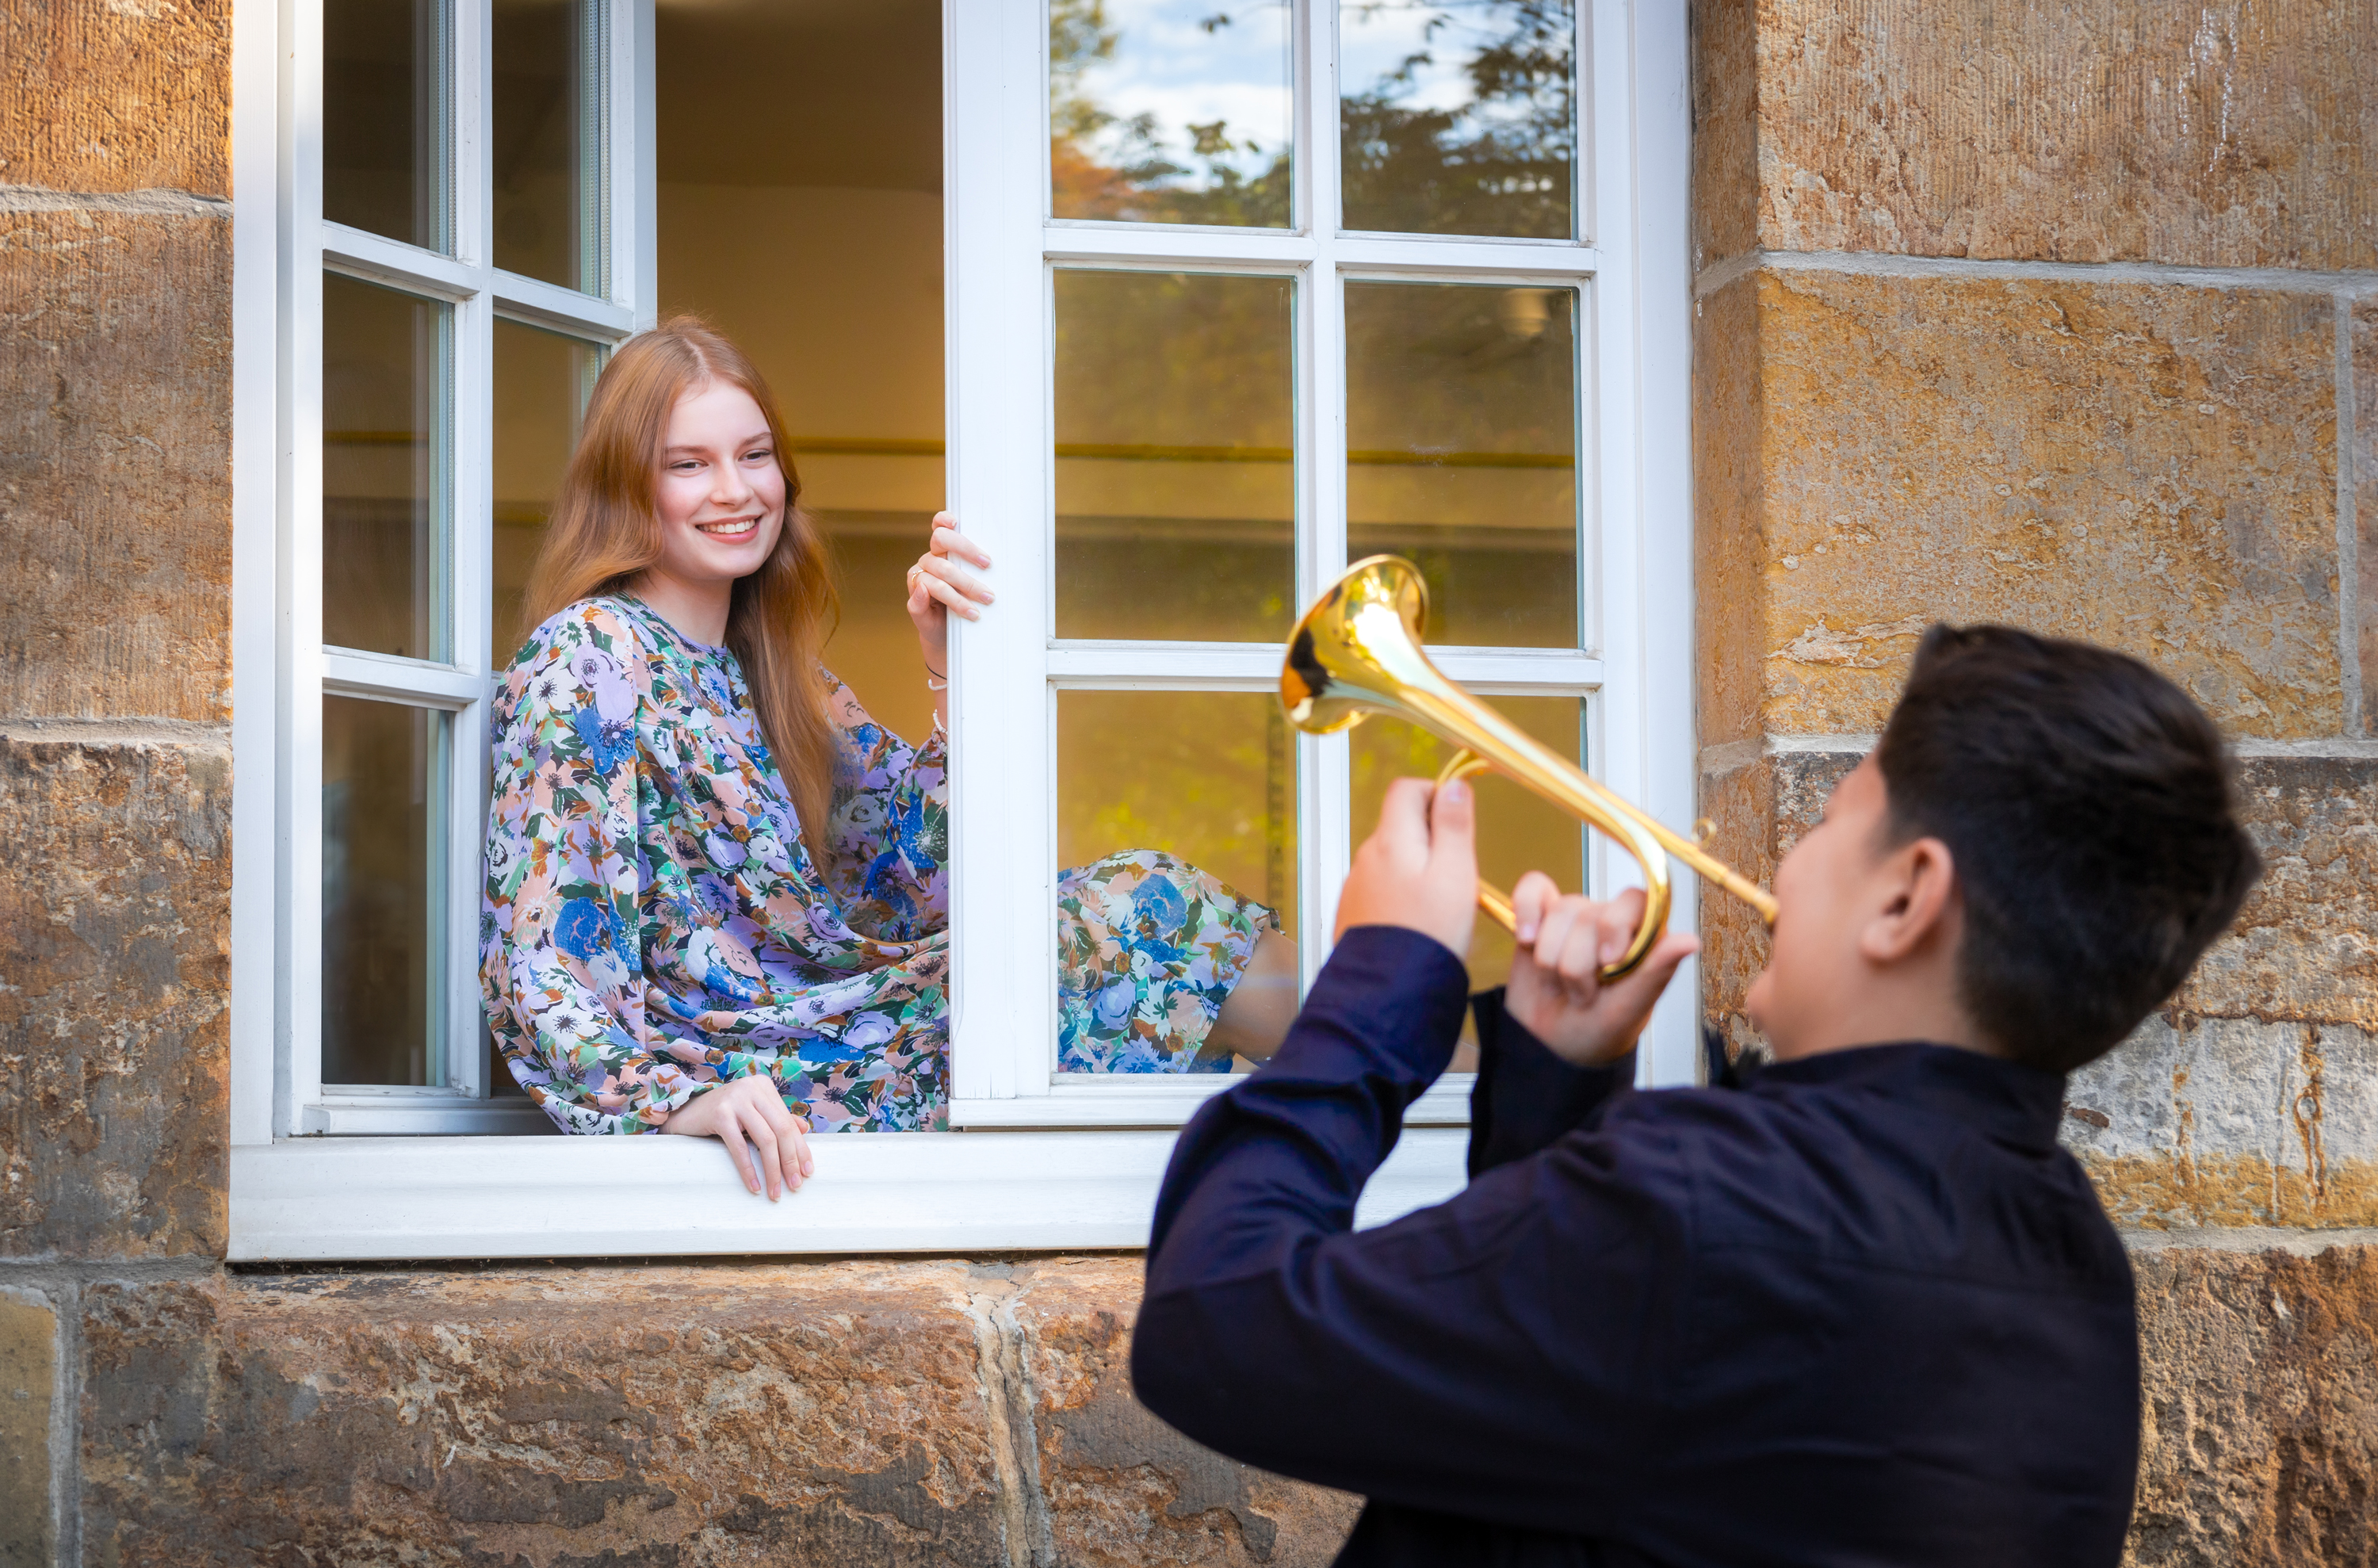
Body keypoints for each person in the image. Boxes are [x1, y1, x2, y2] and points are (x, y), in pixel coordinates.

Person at [1130, 624, 2261, 1567]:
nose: (1787, 865)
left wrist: (1380, 979)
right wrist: (1556, 1083)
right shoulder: (2076, 1266)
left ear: (1906, 899)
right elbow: (1605, 1427)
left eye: (1828, 824)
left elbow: (1211, 1323)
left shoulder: (1702, 1197)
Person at [480, 317, 1300, 1189]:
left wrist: (950, 670)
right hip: (769, 1072)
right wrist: (675, 1103)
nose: (735, 490)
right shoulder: (588, 655)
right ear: (624, 485)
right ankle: (1395, 1091)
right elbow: (541, 958)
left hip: (856, 1028)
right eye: (689, 464)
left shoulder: (785, 677)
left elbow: (925, 885)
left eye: (755, 456)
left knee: (1146, 902)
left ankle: (1391, 1101)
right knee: (1151, 913)